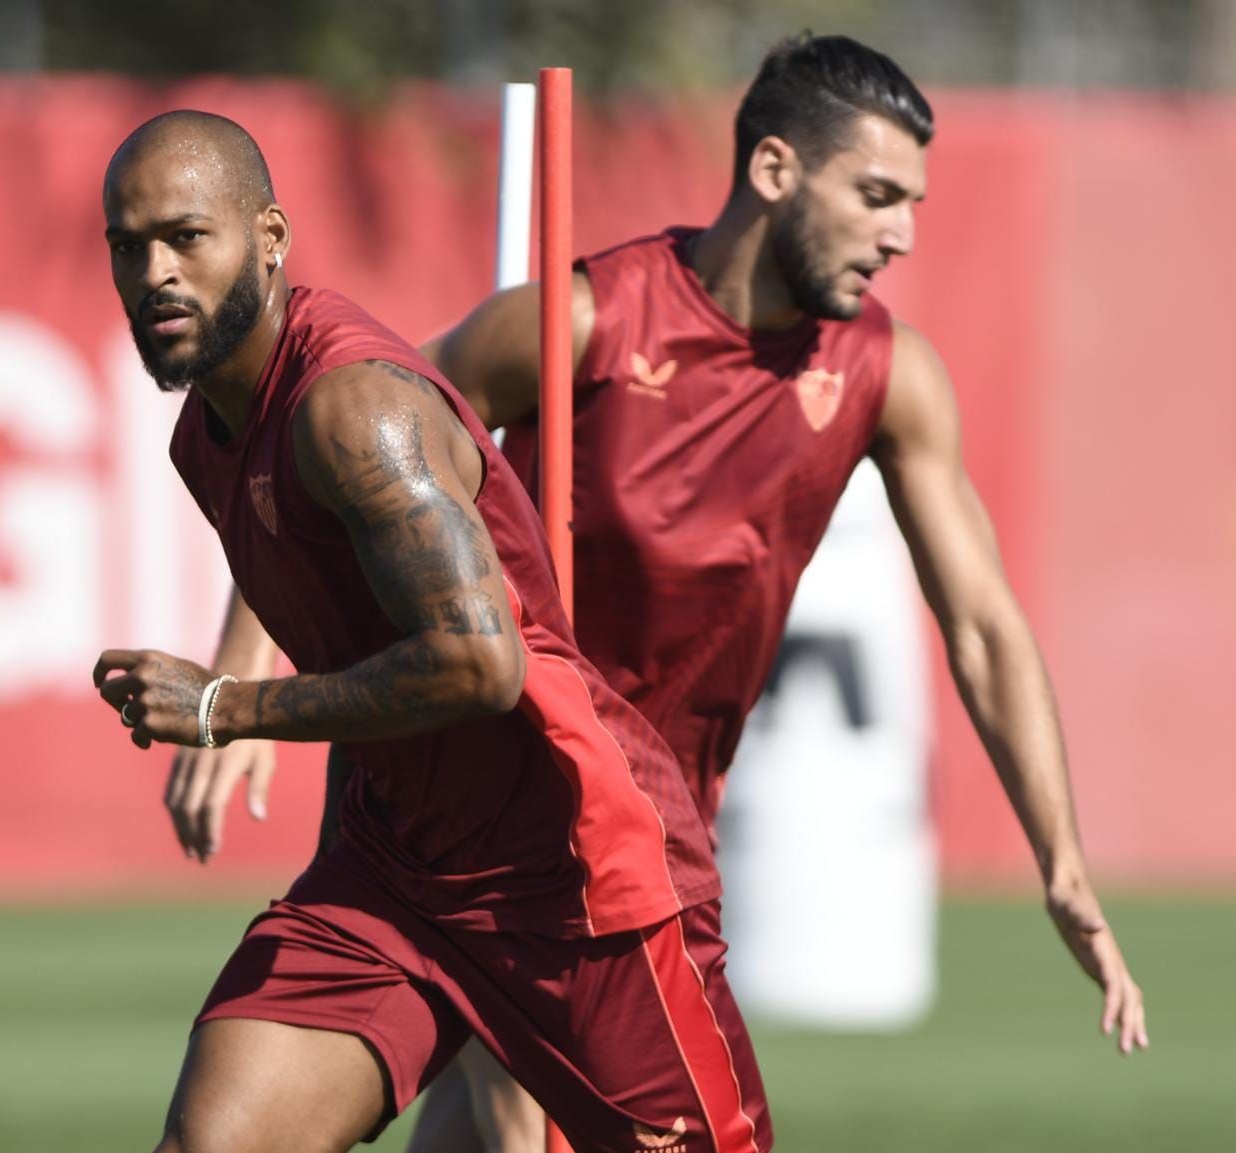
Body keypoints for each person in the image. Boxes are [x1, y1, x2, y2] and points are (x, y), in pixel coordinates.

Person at [171, 31, 1151, 1153]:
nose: (902, 234)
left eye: (914, 204)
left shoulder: (887, 375)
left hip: (626, 847)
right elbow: (337, 433)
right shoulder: (586, 320)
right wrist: (242, 665)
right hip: (466, 809)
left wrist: (1060, 860)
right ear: (776, 171)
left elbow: (981, 626)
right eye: (876, 194)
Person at [93, 109, 771, 1153]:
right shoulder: (207, 436)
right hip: (397, 872)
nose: (155, 273)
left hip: (573, 878)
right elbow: (347, 651)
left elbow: (477, 661)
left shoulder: (351, 408)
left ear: (268, 239)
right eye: (128, 246)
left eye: (187, 236)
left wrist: (229, 707)